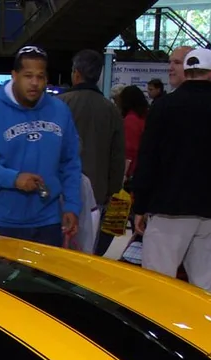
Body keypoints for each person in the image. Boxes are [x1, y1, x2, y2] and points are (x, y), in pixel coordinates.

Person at [132, 49, 211, 297]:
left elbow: (148, 160)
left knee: (157, 288)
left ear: (186, 72)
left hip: (168, 211)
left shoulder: (163, 107)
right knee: (208, 291)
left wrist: (140, 205)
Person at [0, 45, 81, 248]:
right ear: (14, 75)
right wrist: (13, 179)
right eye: (28, 76)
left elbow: (70, 162)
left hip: (47, 222)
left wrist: (72, 206)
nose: (34, 83)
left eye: (40, 77)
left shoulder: (60, 111)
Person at [61, 49, 125, 255]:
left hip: (61, 191)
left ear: (76, 73)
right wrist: (112, 191)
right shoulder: (111, 110)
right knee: (89, 251)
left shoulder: (59, 105)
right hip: (97, 193)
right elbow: (117, 157)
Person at [119, 84, 149, 184]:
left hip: (133, 172)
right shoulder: (145, 117)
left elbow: (130, 150)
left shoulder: (130, 120)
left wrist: (124, 174)